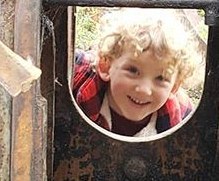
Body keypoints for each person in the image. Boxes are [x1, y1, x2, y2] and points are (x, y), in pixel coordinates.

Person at [72, 8, 197, 138]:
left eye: (161, 78)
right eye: (133, 70)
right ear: (105, 66)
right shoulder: (77, 76)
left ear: (175, 86)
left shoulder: (182, 116)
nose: (144, 90)